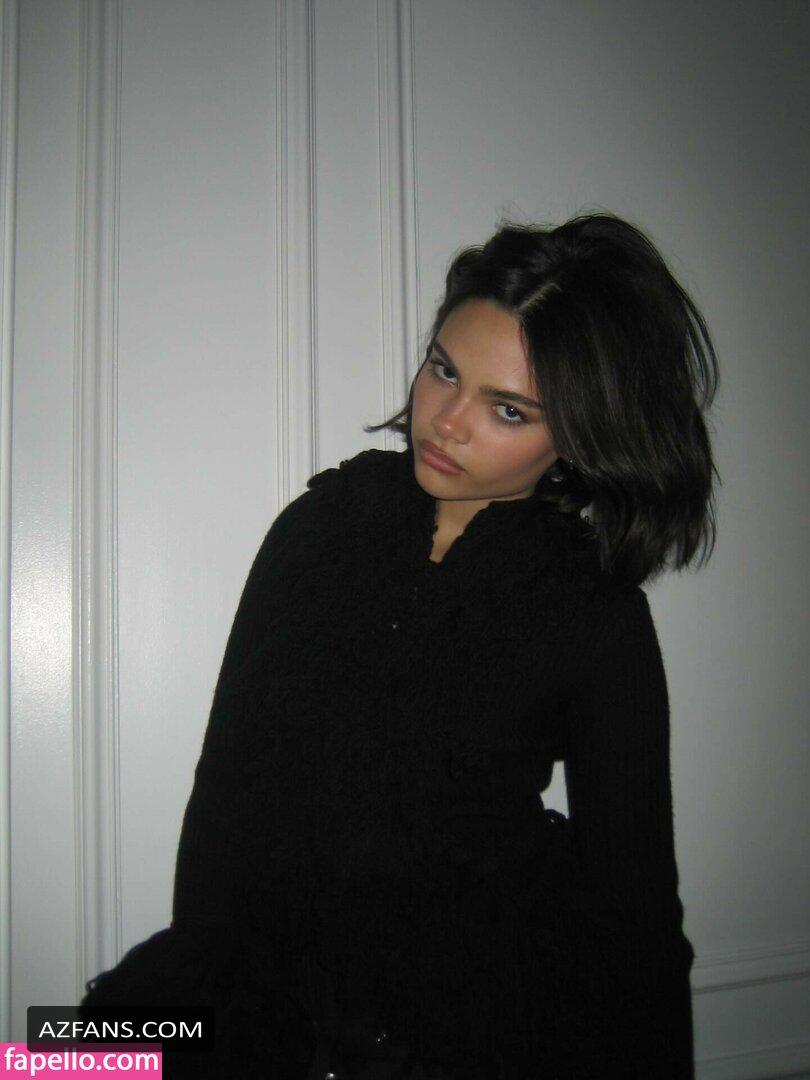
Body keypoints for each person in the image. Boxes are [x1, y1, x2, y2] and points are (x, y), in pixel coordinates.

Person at [80, 211, 719, 1079]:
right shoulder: (317, 528)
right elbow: (226, 786)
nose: (447, 421)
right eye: (443, 369)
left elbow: (635, 902)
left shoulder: (594, 611)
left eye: (507, 409)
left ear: (579, 436)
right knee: (48, 1058)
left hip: (480, 1023)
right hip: (258, 995)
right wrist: (209, 999)